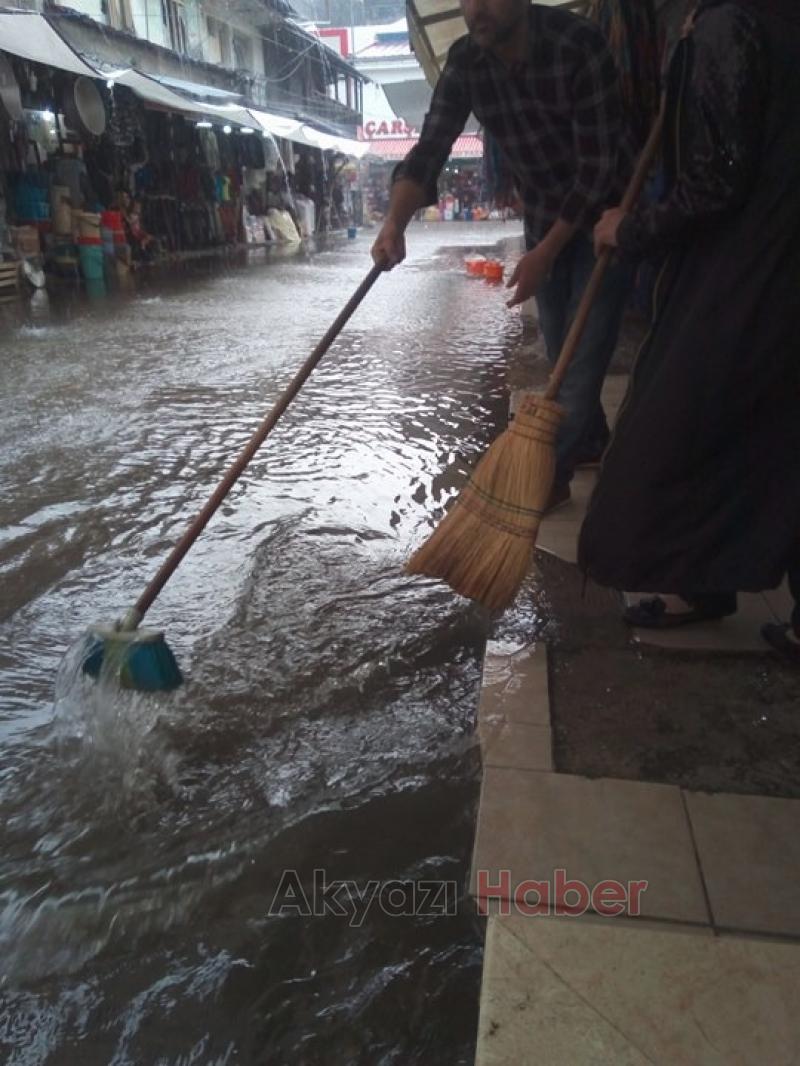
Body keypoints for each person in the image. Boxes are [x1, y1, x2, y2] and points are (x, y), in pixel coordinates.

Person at [579, 0, 800, 661]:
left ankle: (698, 578)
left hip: (752, 271)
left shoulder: (734, 26)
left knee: (672, 435)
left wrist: (632, 229)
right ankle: (710, 584)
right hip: (776, 266)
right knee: (777, 436)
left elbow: (717, 179)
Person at [371, 0, 640, 508]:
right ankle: (592, 439)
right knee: (562, 348)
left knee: (579, 363)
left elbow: (598, 170)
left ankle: (544, 481)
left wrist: (543, 255)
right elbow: (430, 148)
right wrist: (394, 224)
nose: (477, 9)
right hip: (542, 214)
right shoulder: (467, 60)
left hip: (606, 219)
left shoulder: (578, 44)